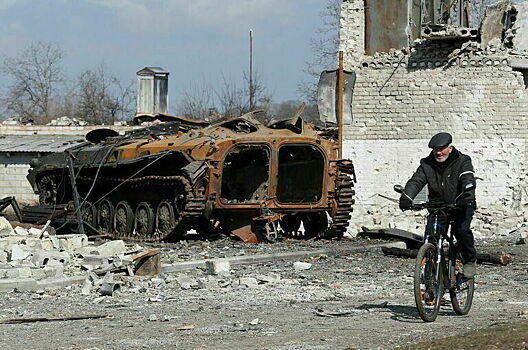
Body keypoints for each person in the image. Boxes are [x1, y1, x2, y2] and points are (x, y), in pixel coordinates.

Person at [399, 132, 477, 278]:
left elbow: (467, 177)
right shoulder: (427, 164)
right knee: (431, 238)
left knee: (461, 231)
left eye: (442, 149)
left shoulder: (462, 160)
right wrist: (407, 197)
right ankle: (431, 281)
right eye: (436, 150)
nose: (439, 153)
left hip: (461, 203)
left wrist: (466, 194)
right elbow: (416, 181)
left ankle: (469, 261)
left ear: (450, 148)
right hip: (438, 206)